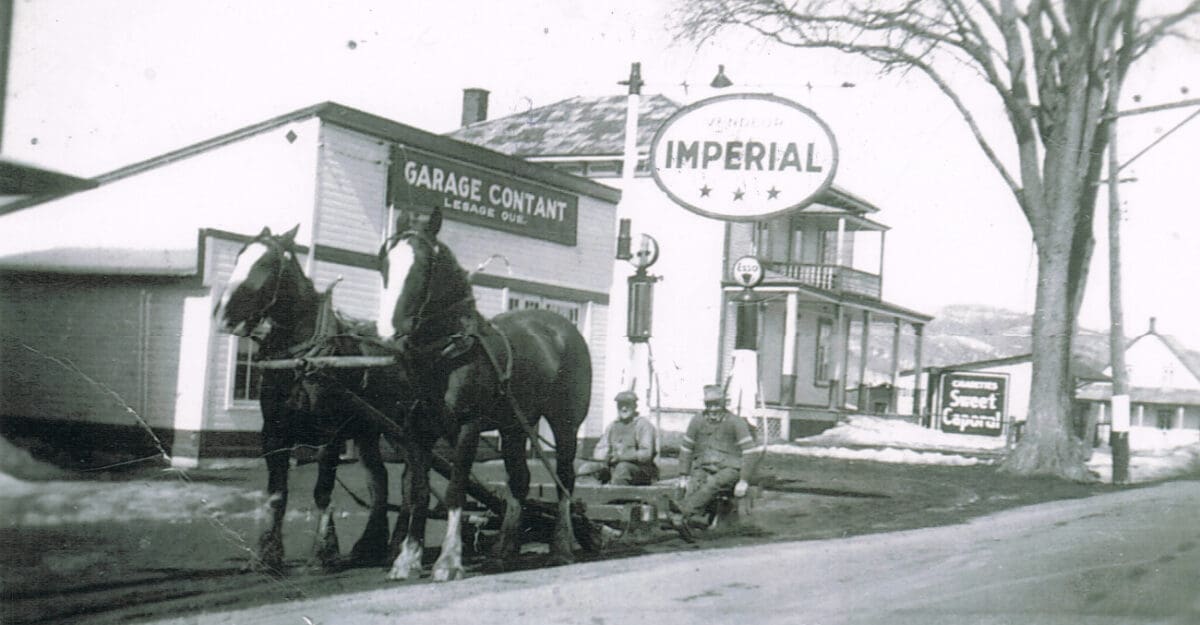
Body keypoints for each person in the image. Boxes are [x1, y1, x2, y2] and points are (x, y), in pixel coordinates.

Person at [671, 384, 758, 539]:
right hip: (704, 466)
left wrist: (744, 480)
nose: (712, 409)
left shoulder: (736, 422)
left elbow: (749, 452)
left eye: (716, 404)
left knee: (713, 483)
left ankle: (681, 512)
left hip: (730, 469)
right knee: (695, 482)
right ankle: (689, 522)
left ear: (724, 403)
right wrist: (683, 474)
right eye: (709, 405)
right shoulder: (697, 421)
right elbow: (686, 449)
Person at [578, 390, 659, 485]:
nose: (624, 408)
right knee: (587, 469)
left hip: (642, 471)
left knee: (622, 468)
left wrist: (621, 457)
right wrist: (605, 456)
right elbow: (600, 449)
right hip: (614, 468)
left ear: (635, 406)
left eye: (627, 405)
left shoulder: (643, 425)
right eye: (621, 405)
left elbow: (646, 454)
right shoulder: (612, 426)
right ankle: (586, 497)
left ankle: (618, 498)